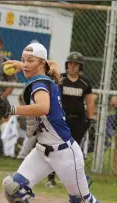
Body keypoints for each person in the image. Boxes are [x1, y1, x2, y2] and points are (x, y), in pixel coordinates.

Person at [1, 42, 117, 203]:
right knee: (13, 189)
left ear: (41, 64)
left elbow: (43, 108)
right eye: (24, 60)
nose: (25, 65)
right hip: (42, 152)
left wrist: (11, 110)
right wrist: (21, 63)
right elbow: (54, 64)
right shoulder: (48, 74)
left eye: (30, 61)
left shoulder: (40, 83)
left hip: (65, 154)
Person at [45, 51, 96, 188]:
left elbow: (90, 102)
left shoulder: (85, 83)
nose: (73, 67)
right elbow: (52, 96)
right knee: (56, 147)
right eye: (71, 64)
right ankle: (51, 178)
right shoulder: (60, 79)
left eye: (76, 65)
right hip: (62, 119)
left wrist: (90, 119)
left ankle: (73, 180)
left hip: (78, 120)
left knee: (74, 150)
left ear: (80, 67)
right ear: (67, 65)